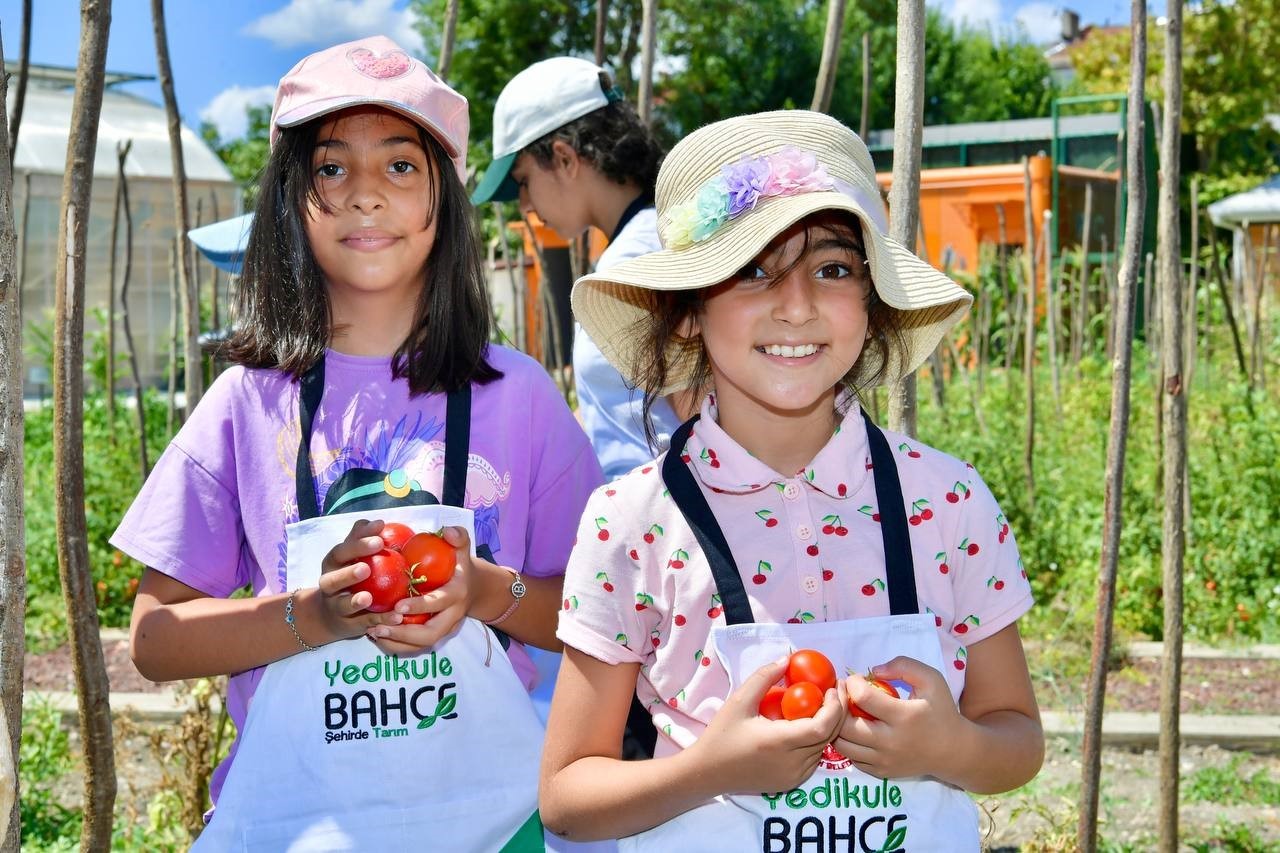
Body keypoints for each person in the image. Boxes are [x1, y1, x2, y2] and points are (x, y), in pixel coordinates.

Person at [113, 35, 603, 850]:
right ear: (291, 200)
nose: (365, 195)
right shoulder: (247, 401)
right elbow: (155, 640)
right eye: (331, 168)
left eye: (401, 166)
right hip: (298, 825)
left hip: (488, 823)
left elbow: (604, 617)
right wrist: (310, 614)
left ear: (442, 197)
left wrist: (481, 591)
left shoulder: (519, 397)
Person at [539, 110, 1044, 850]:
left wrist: (950, 748)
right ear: (685, 314)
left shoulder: (949, 501)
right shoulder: (632, 520)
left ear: (873, 306)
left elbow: (1018, 738)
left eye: (833, 268)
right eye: (752, 269)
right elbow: (565, 794)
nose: (797, 304)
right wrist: (706, 768)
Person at [472, 56, 686, 480]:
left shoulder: (637, 262)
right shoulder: (648, 239)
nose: (526, 206)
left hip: (670, 527)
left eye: (524, 181)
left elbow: (697, 413)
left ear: (565, 158)